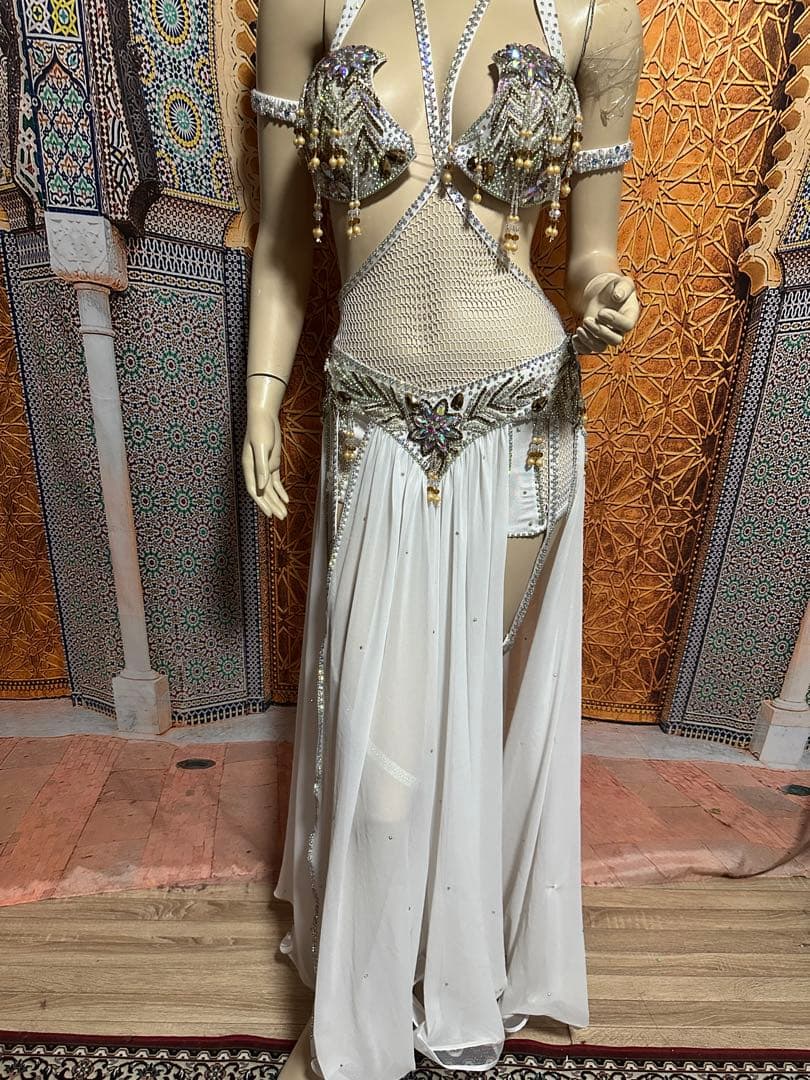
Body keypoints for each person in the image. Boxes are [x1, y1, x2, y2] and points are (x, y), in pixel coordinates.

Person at [243, 1, 643, 1077]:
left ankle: (438, 969)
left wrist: (605, 292)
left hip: (522, 422)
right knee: (384, 762)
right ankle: (354, 1027)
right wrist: (261, 392)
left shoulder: (593, 13)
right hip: (372, 419)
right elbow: (282, 238)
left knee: (463, 721)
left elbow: (590, 251)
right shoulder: (311, 4)